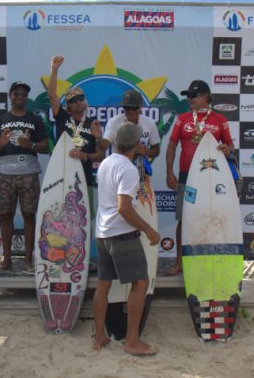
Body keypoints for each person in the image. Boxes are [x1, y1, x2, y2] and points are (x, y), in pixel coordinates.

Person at [92, 122, 160, 356]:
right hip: (121, 234)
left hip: (102, 233)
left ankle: (99, 335)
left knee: (103, 284)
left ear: (117, 141)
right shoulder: (129, 169)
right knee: (141, 282)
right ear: (138, 144)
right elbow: (124, 208)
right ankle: (132, 341)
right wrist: (149, 229)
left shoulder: (105, 163)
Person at [164, 80, 234, 275]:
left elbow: (231, 147)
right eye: (187, 96)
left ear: (206, 97)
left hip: (212, 179)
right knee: (183, 218)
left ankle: (212, 260)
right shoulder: (182, 118)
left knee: (212, 217)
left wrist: (228, 150)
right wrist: (170, 172)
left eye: (193, 95)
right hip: (187, 177)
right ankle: (178, 261)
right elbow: (171, 145)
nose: (189, 99)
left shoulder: (220, 120)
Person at [47, 55, 105, 268]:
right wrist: (54, 69)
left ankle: (83, 257)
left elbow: (100, 153)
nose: (78, 102)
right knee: (61, 219)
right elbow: (52, 94)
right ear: (68, 106)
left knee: (83, 219)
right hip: (61, 177)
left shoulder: (93, 123)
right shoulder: (62, 117)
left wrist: (87, 156)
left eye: (81, 98)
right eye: (73, 100)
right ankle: (60, 255)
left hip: (84, 180)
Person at [0, 81, 49, 273]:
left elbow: (46, 147)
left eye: (24, 94)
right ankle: (7, 260)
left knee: (30, 216)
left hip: (28, 174)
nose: (20, 97)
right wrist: (2, 144)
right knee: (5, 216)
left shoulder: (35, 120)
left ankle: (29, 260)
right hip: (5, 174)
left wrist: (29, 146)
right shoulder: (0, 120)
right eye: (17, 94)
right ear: (10, 96)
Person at [100, 90, 160, 163]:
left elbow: (156, 150)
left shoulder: (149, 123)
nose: (130, 111)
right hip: (118, 167)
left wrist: (147, 151)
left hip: (140, 169)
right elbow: (104, 147)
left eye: (134, 108)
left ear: (141, 106)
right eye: (127, 107)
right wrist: (98, 137)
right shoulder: (113, 122)